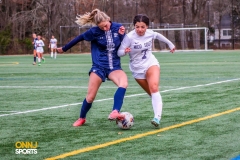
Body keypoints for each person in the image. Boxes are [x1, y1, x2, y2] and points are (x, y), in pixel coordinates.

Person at [57, 8, 128, 127]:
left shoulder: (118, 28)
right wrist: (64, 48)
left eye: (105, 26)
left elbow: (124, 44)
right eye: (101, 27)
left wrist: (122, 36)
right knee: (90, 97)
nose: (104, 29)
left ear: (108, 20)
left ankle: (115, 111)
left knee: (124, 83)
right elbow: (79, 38)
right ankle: (82, 118)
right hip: (99, 66)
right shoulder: (94, 32)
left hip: (114, 67)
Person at [117, 14, 175, 127]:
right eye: (137, 26)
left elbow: (158, 35)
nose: (140, 29)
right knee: (151, 93)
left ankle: (157, 118)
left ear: (147, 26)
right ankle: (157, 108)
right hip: (137, 69)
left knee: (154, 88)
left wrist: (170, 44)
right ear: (134, 26)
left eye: (142, 27)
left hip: (150, 63)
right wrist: (125, 51)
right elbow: (119, 52)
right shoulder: (129, 37)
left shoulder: (150, 33)